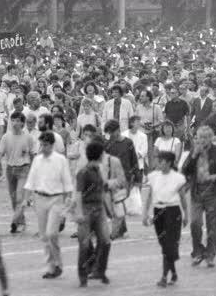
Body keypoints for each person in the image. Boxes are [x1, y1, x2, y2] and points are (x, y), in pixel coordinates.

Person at [21, 131, 72, 279]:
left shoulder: (61, 160)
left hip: (56, 199)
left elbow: (67, 182)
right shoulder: (37, 160)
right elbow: (30, 181)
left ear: (52, 145)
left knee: (52, 233)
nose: (43, 148)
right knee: (44, 236)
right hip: (39, 199)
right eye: (41, 145)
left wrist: (68, 201)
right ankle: (51, 267)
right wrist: (26, 199)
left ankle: (58, 263)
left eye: (46, 145)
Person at [181, 126, 216, 268]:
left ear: (210, 138)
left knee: (211, 227)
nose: (202, 140)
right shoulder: (194, 151)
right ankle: (197, 252)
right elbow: (185, 170)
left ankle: (210, 255)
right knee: (195, 223)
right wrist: (193, 156)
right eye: (199, 137)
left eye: (205, 137)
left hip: (213, 192)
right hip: (197, 192)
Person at [143, 151, 188, 287]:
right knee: (164, 245)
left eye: (161, 161)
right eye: (158, 161)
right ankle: (173, 272)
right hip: (158, 211)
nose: (158, 163)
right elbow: (149, 196)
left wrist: (186, 214)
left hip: (172, 211)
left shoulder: (178, 178)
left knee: (170, 244)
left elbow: (182, 197)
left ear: (169, 163)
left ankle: (164, 277)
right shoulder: (153, 176)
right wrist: (145, 213)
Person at [73, 140, 110, 287]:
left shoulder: (98, 170)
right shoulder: (83, 172)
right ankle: (83, 275)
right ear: (98, 154)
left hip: (99, 208)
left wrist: (108, 209)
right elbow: (78, 194)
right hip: (87, 209)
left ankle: (99, 270)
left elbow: (102, 190)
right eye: (102, 153)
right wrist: (79, 213)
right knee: (84, 244)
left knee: (105, 241)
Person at [0, 111, 36, 233]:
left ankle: (15, 222)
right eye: (13, 120)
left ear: (22, 123)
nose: (14, 123)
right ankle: (20, 220)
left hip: (24, 169)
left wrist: (33, 171)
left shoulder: (28, 137)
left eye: (17, 120)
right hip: (10, 170)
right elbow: (0, 153)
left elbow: (33, 155)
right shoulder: (6, 137)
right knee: (13, 199)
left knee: (19, 198)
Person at [104, 119, 140, 239]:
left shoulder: (128, 143)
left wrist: (137, 178)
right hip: (113, 179)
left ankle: (119, 230)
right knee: (116, 203)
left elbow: (134, 160)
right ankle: (121, 228)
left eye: (111, 132)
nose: (110, 135)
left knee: (119, 202)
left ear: (118, 130)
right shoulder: (108, 144)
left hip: (126, 178)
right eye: (108, 133)